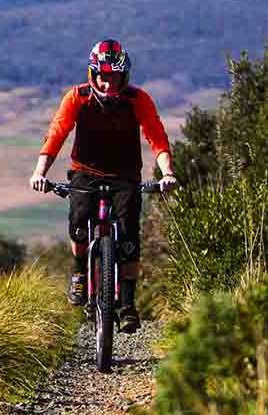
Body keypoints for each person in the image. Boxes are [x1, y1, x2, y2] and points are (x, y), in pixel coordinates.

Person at [28, 39, 177, 333]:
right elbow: (56, 135)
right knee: (79, 224)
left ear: (124, 76)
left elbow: (157, 137)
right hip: (86, 171)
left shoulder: (138, 100)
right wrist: (39, 172)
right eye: (101, 75)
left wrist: (168, 173)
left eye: (113, 76)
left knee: (130, 235)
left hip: (125, 175)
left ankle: (128, 304)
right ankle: (79, 272)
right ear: (92, 74)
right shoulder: (77, 97)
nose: (107, 83)